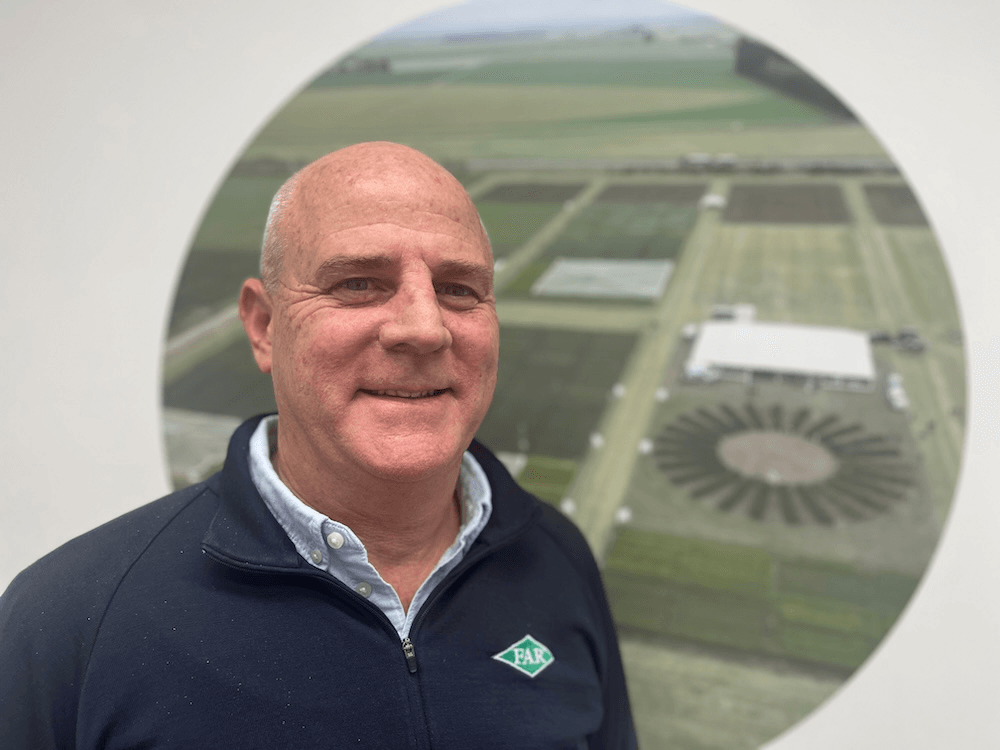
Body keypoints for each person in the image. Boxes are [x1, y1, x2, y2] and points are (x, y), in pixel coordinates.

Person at [0, 142, 637, 748]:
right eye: (359, 283)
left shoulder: (557, 559)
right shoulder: (64, 624)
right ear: (263, 325)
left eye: (459, 289)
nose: (423, 327)